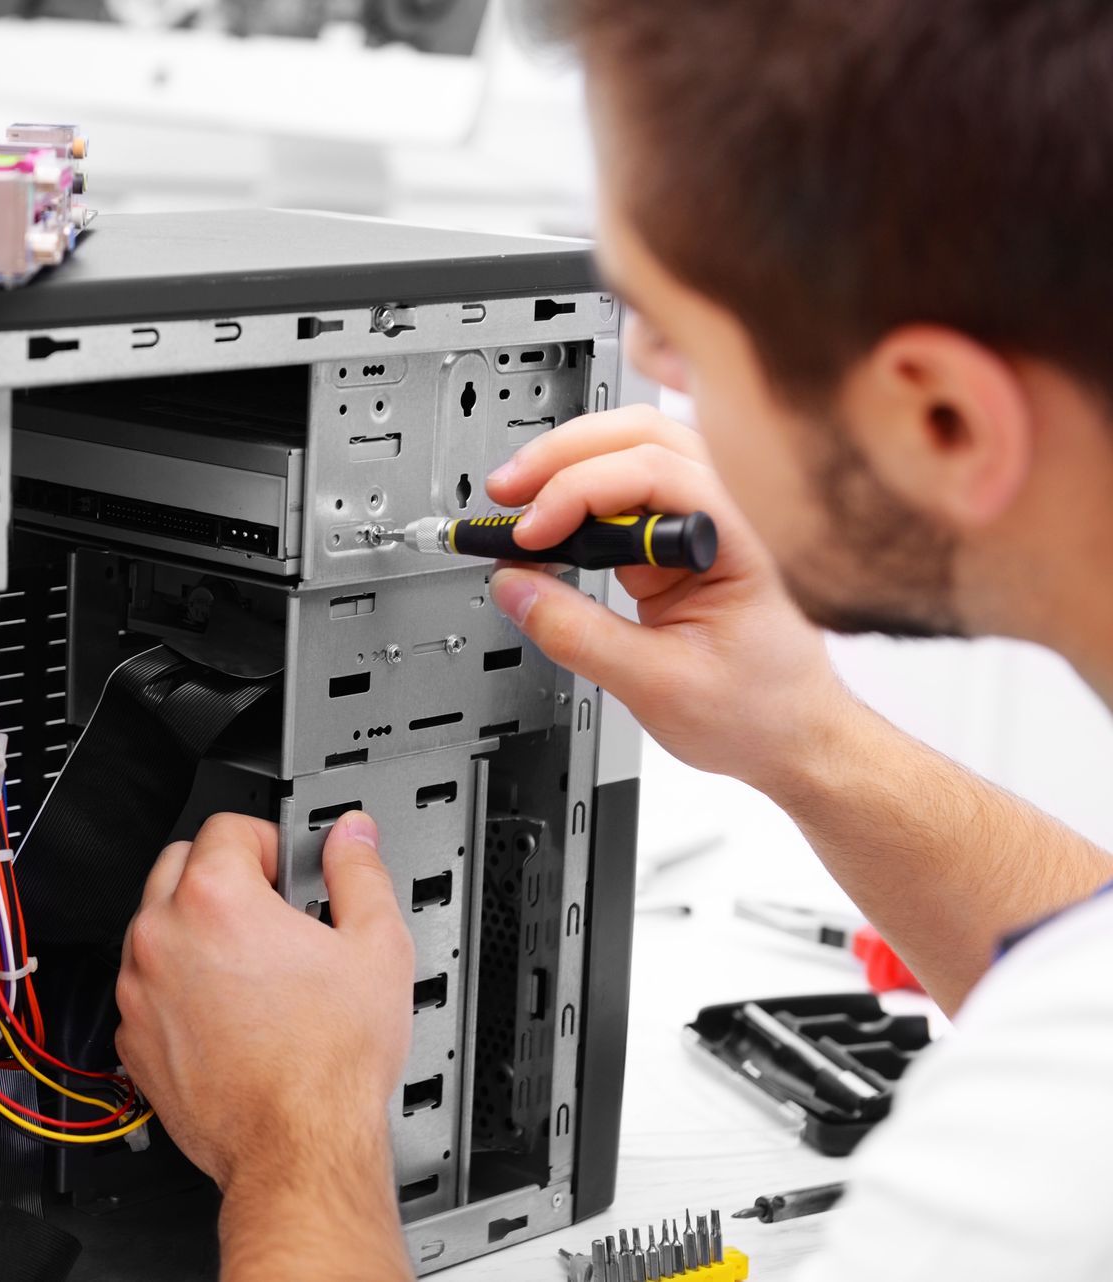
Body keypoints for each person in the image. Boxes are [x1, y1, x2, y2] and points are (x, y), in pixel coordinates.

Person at [112, 2, 1113, 1279]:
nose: (636, 363)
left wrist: (296, 1137)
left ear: (944, 423)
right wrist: (808, 738)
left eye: (682, 335)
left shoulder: (1038, 1183)